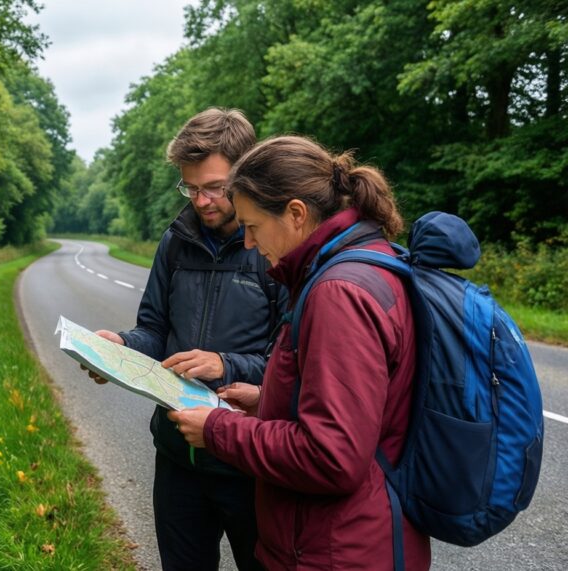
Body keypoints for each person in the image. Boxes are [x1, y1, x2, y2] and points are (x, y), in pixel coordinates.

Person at [169, 135, 430, 569]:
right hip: (355, 537)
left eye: (252, 227)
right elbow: (360, 407)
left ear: (295, 214)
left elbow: (332, 456)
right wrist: (268, 399)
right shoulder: (368, 261)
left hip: (334, 549)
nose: (249, 245)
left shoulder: (337, 293)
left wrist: (218, 429)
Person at [91, 108, 282, 571]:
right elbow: (154, 330)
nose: (201, 200)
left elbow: (291, 361)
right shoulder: (174, 241)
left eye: (214, 187)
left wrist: (226, 364)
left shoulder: (275, 247)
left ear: (245, 173)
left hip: (249, 462)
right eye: (190, 187)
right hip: (178, 456)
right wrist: (119, 346)